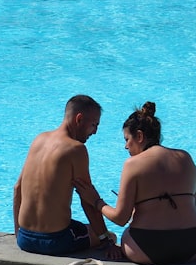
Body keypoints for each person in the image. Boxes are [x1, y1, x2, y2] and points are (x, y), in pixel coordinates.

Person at [77, 101, 196, 265]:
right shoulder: (185, 158)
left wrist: (96, 201)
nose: (126, 146)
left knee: (125, 235)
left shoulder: (133, 164)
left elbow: (120, 218)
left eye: (127, 139)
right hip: (193, 245)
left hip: (148, 248)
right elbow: (193, 206)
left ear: (139, 136)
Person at [14, 94, 119, 256]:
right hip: (55, 241)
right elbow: (87, 199)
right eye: (94, 125)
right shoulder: (76, 149)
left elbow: (17, 188)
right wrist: (106, 241)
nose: (95, 132)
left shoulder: (39, 139)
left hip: (25, 238)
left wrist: (19, 235)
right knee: (111, 235)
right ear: (79, 119)